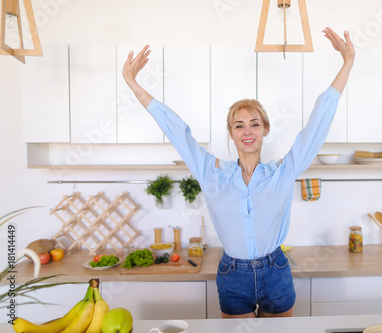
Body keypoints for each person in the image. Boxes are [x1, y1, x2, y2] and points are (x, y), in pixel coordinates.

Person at [122, 27, 354, 318]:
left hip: (276, 271)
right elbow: (176, 130)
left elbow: (316, 126)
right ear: (230, 133)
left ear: (265, 130)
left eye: (254, 123)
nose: (247, 131)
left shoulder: (283, 172)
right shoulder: (211, 173)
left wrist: (347, 64)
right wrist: (132, 83)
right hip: (233, 274)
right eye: (239, 125)